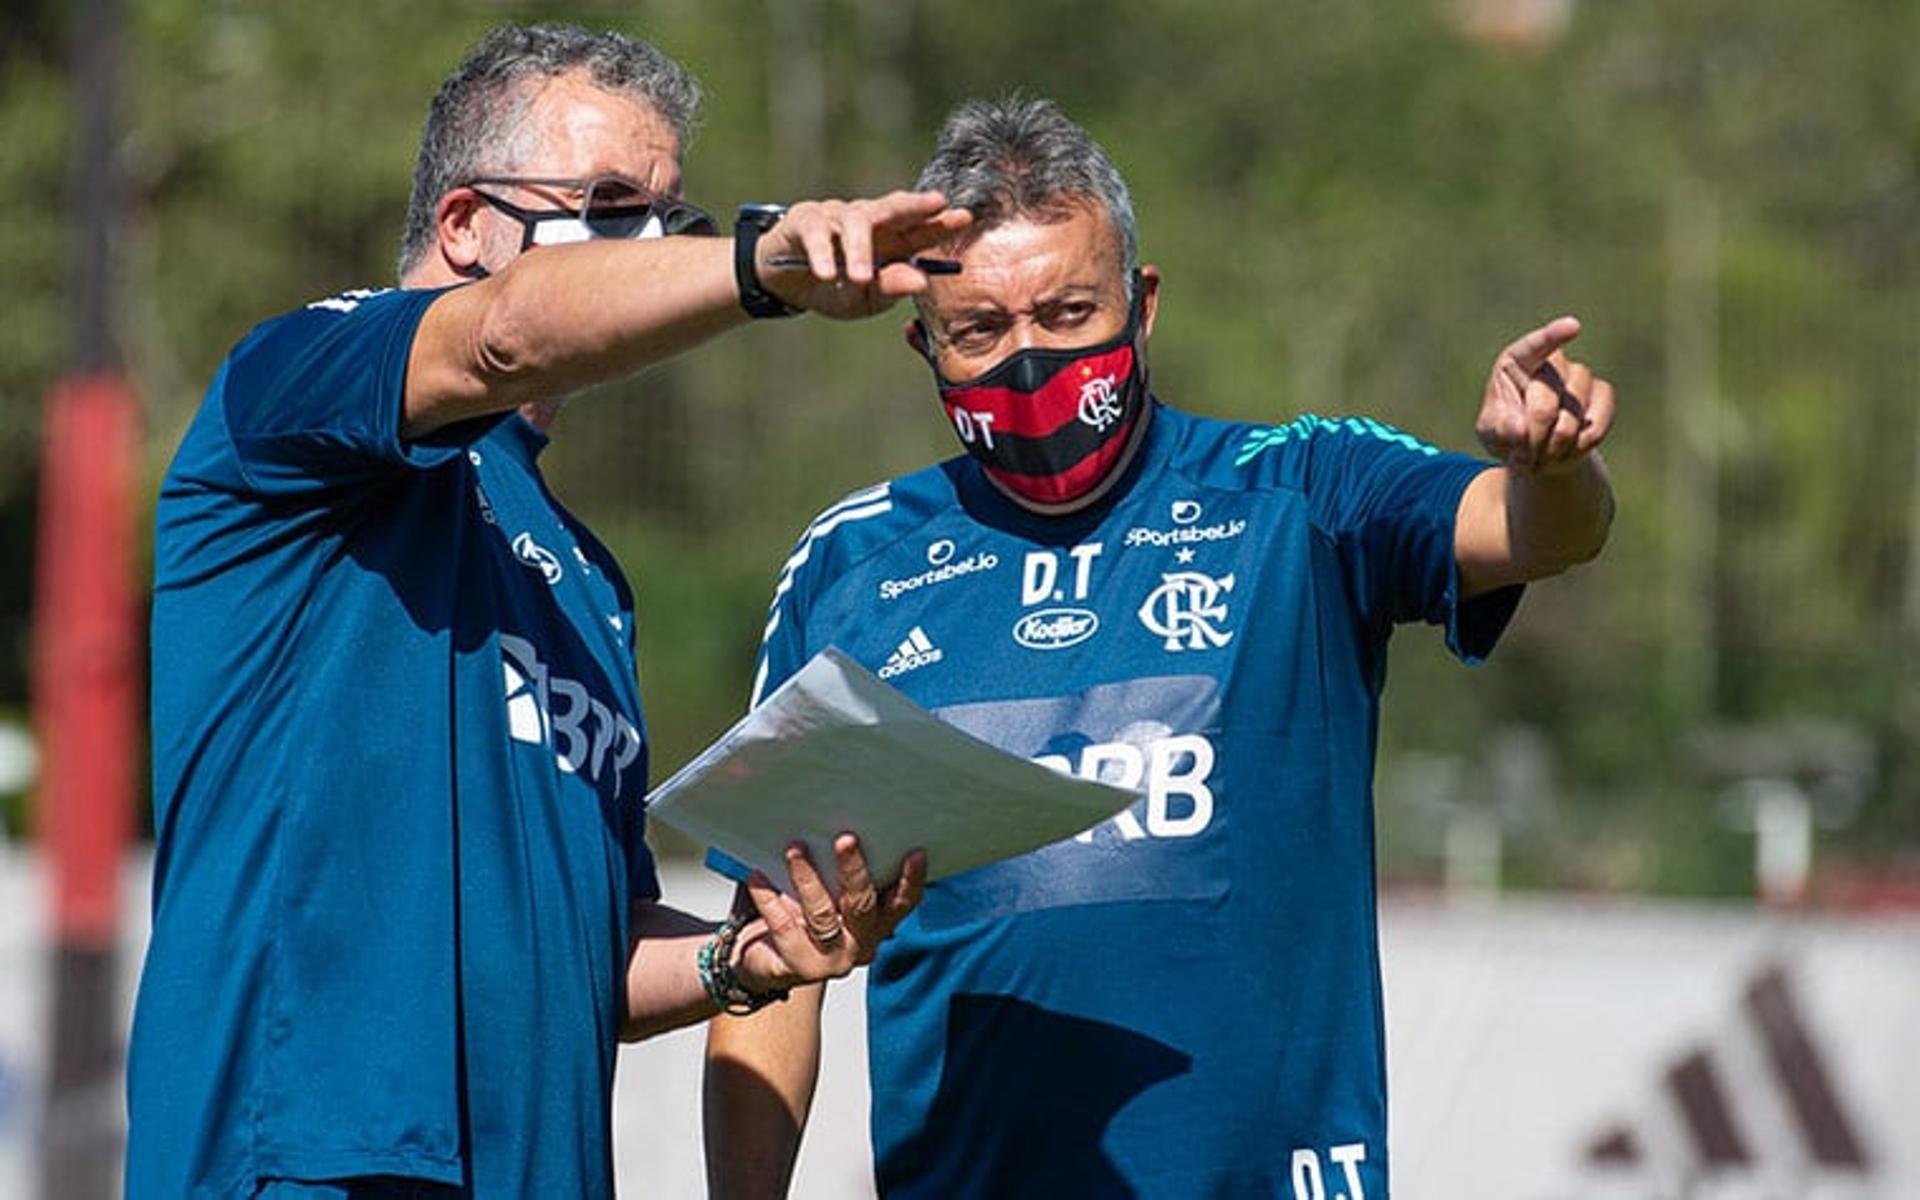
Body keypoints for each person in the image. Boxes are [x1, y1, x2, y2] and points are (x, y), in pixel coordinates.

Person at [703, 96, 1616, 1198]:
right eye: (981, 331)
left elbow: (1532, 534)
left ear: (1142, 307)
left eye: (1068, 311)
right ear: (922, 343)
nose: (1030, 363)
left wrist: (1554, 465)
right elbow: (775, 955)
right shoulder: (852, 564)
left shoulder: (1298, 490)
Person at [126, 22, 966, 1198]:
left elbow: (600, 954)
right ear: (468, 225)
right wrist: (757, 264)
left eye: (666, 218)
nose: (648, 247)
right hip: (315, 1164)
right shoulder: (298, 380)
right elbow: (508, 332)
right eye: (610, 203)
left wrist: (750, 958)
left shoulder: (590, 584)